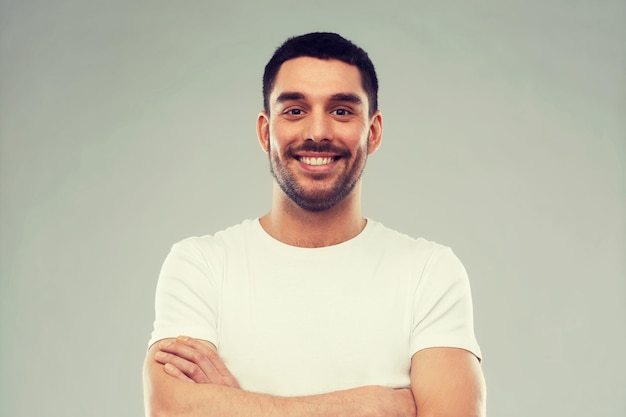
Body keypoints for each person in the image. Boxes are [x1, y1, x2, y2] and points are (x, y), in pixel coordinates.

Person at [143, 32, 486, 417]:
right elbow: (170, 409)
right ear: (264, 131)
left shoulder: (429, 271)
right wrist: (366, 407)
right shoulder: (200, 265)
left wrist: (235, 406)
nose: (317, 132)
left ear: (372, 132)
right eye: (294, 110)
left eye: (341, 111)